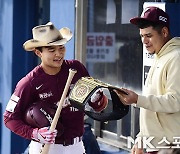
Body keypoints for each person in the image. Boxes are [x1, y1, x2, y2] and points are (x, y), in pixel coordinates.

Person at [3, 22, 108, 154]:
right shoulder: (29, 82)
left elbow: (97, 107)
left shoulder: (77, 68)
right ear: (38, 52)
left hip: (77, 146)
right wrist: (34, 134)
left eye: (61, 48)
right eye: (51, 50)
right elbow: (9, 119)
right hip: (46, 148)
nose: (58, 54)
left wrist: (97, 98)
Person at [115, 6, 180, 154]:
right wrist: (141, 138)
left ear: (164, 32)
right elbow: (153, 111)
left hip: (171, 146)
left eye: (149, 35)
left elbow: (175, 101)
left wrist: (138, 99)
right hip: (156, 146)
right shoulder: (160, 56)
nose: (144, 41)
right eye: (142, 36)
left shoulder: (176, 57)